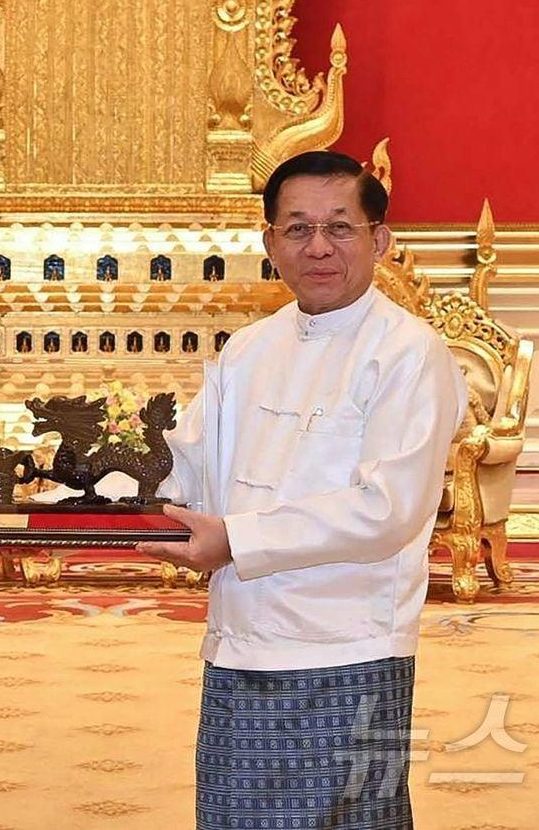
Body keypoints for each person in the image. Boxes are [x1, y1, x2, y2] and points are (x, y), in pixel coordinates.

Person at [139, 150, 465, 828]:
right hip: (241, 641)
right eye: (297, 229)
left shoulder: (409, 351)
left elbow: (390, 509)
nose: (318, 246)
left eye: (339, 228)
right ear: (270, 243)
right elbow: (193, 467)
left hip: (350, 645)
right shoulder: (247, 349)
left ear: (380, 239)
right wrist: (103, 490)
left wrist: (238, 539)